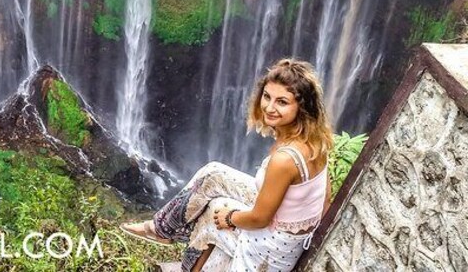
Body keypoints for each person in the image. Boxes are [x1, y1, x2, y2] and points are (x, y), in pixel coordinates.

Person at [121, 58, 334, 271]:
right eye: (267, 96)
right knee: (213, 173)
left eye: (282, 102)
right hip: (288, 232)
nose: (269, 107)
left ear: (302, 107)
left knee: (213, 214)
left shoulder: (285, 159)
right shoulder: (315, 141)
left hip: (272, 249)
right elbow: (325, 199)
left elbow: (260, 219)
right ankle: (161, 229)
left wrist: (230, 218)